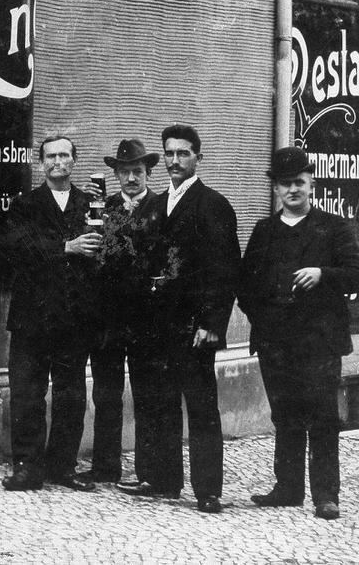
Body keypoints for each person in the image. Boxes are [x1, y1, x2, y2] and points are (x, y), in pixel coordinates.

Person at [238, 147, 359, 520]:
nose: (292, 190)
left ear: (311, 183)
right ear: (275, 189)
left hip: (319, 341)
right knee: (284, 414)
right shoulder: (264, 231)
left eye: (298, 182)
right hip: (275, 342)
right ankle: (288, 487)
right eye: (284, 184)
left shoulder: (333, 226)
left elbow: (357, 276)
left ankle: (326, 494)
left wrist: (323, 274)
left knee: (324, 416)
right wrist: (265, 320)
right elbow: (245, 287)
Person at [119, 124, 240, 513]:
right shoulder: (154, 207)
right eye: (169, 153)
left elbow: (224, 271)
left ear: (198, 158)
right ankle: (163, 479)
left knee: (201, 406)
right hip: (156, 325)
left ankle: (208, 490)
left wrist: (212, 323)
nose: (174, 160)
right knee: (160, 401)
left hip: (193, 326)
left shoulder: (213, 205)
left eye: (183, 153)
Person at [0, 134, 101, 493]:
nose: (58, 162)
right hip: (32, 317)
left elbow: (102, 253)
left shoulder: (91, 206)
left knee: (71, 394)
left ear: (74, 161)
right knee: (27, 393)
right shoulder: (24, 204)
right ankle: (27, 466)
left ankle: (63, 467)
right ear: (40, 163)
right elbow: (19, 247)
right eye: (51, 156)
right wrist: (66, 247)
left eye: (65, 156)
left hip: (74, 316)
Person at [81, 137, 159, 485]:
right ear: (115, 174)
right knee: (106, 392)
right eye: (125, 172)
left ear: (148, 172)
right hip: (107, 317)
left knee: (146, 393)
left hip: (145, 317)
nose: (131, 179)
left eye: (137, 172)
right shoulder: (101, 208)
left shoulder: (163, 207)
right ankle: (105, 466)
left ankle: (147, 469)